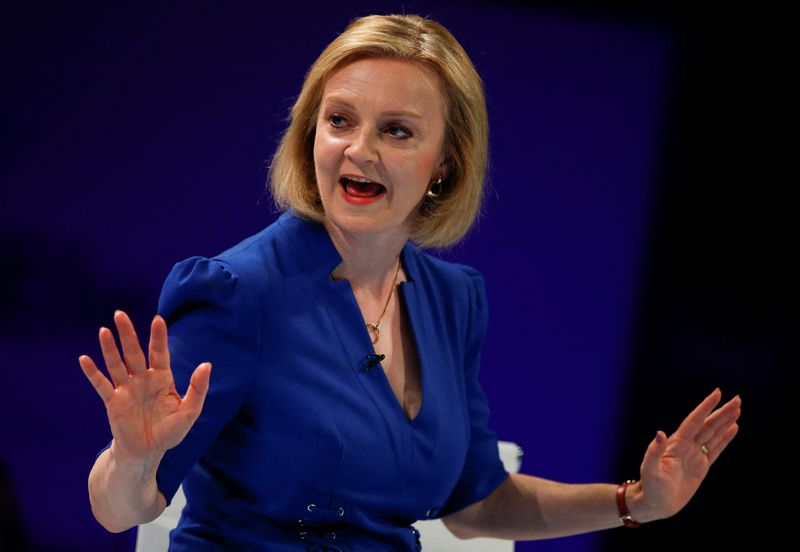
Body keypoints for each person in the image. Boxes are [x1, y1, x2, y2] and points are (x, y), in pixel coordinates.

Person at [79, 14, 741, 551]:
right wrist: (133, 456)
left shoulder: (452, 300)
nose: (359, 149)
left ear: (444, 166)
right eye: (339, 120)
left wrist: (636, 504)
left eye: (396, 131)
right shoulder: (238, 293)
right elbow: (120, 509)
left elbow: (477, 504)